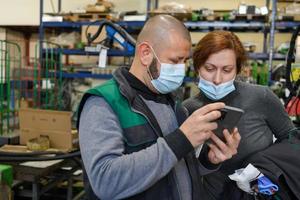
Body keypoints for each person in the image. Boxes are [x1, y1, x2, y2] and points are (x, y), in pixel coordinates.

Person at [77, 15, 241, 200]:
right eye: (175, 60)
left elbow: (177, 169)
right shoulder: (103, 103)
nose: (181, 69)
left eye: (184, 61)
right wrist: (180, 139)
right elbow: (105, 182)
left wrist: (208, 160)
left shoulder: (174, 105)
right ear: (146, 53)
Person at [183, 30, 300, 200]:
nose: (217, 79)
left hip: (259, 194)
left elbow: (291, 141)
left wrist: (265, 168)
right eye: (209, 68)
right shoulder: (188, 110)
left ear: (237, 70)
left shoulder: (261, 97)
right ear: (197, 67)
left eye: (227, 70)